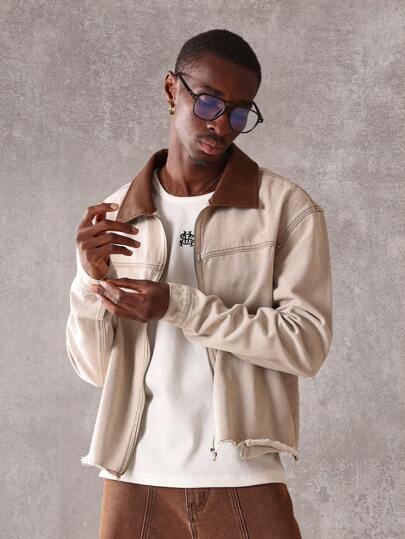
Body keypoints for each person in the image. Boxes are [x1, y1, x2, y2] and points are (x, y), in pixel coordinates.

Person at [66, 28, 333, 538]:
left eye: (239, 112)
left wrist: (181, 306)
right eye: (208, 101)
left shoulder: (285, 209)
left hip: (243, 475)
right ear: (172, 89)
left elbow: (307, 345)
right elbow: (96, 369)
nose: (221, 124)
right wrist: (88, 282)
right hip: (134, 478)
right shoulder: (118, 216)